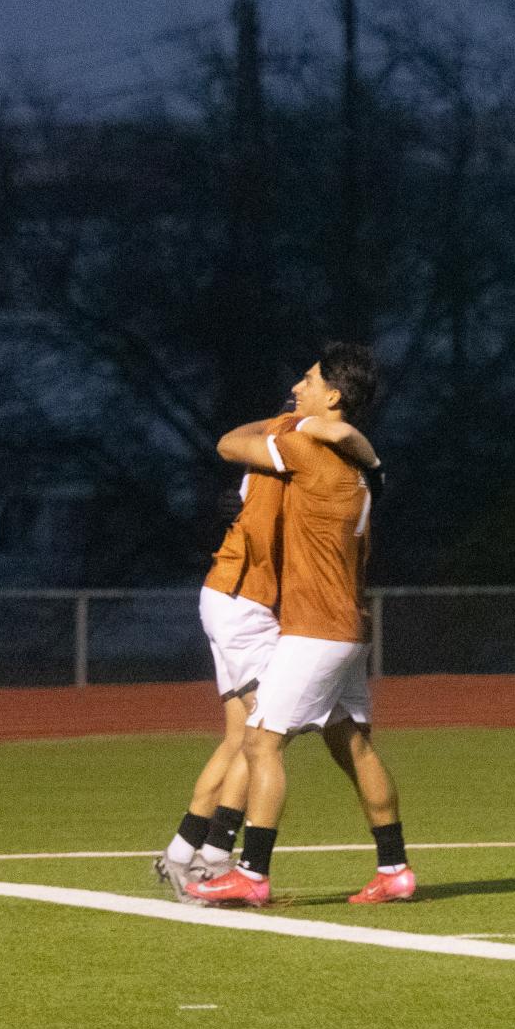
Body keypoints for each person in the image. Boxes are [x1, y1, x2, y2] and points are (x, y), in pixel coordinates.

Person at [188, 344, 412, 907]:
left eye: (309, 380)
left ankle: (252, 874)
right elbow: (356, 444)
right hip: (349, 626)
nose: (298, 386)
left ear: (333, 396)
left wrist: (288, 420)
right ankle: (395, 869)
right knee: (352, 746)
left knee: (262, 744)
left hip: (315, 629)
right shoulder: (362, 469)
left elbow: (228, 444)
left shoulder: (309, 449)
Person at [154, 409, 380, 901]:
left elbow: (234, 443)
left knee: (245, 735)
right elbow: (246, 446)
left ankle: (184, 850)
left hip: (231, 598)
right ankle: (214, 858)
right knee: (265, 732)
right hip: (244, 602)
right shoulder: (291, 455)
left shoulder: (288, 457)